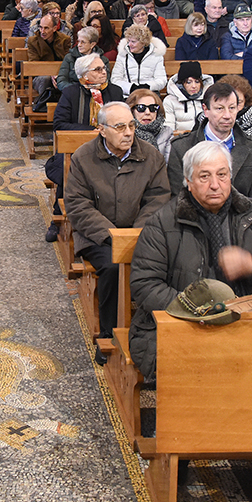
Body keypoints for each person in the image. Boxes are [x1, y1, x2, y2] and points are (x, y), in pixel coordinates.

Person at [128, 141, 252, 379]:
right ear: (188, 181)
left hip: (247, 318)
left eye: (222, 175)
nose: (215, 185)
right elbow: (145, 284)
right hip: (186, 324)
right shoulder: (163, 223)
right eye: (204, 177)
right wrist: (194, 311)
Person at [64, 102, 170, 341]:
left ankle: (154, 333)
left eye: (131, 125)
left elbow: (158, 199)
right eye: (120, 127)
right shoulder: (84, 157)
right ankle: (110, 334)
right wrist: (112, 236)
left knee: (163, 264)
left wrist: (137, 234)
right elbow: (78, 205)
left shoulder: (150, 155)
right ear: (102, 130)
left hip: (141, 232)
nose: (129, 132)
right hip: (98, 235)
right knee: (113, 268)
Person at [43, 54, 126, 242]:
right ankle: (57, 221)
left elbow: (123, 120)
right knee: (70, 172)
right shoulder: (72, 93)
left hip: (111, 149)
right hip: (76, 150)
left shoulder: (115, 92)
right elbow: (60, 124)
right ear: (83, 75)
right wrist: (92, 131)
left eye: (104, 68)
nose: (104, 72)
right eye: (98, 69)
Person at [167, 81, 252, 203]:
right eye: (220, 108)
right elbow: (178, 200)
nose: (227, 115)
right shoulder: (181, 147)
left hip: (242, 219)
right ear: (206, 110)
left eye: (232, 108)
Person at [111, 24, 167, 94]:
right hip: (128, 94)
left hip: (149, 93)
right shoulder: (122, 55)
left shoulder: (156, 55)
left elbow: (161, 80)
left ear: (143, 42)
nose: (129, 44)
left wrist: (146, 86)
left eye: (133, 42)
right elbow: (115, 79)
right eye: (129, 41)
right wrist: (131, 88)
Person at [163, 61, 212, 134]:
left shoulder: (208, 98)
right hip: (181, 140)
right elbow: (169, 129)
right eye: (189, 82)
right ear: (181, 84)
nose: (194, 86)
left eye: (197, 82)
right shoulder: (170, 101)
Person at [126, 89, 172, 161]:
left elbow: (169, 164)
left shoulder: (166, 133)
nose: (147, 112)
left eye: (152, 108)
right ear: (132, 110)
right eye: (141, 108)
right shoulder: (125, 133)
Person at [55, 27, 102, 92]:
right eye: (78, 41)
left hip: (94, 92)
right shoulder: (69, 57)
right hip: (72, 92)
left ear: (92, 44)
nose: (79, 45)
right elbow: (61, 81)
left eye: (83, 42)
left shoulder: (101, 60)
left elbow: (104, 81)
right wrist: (75, 90)